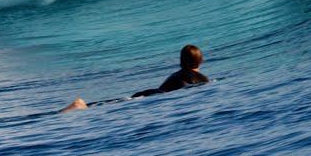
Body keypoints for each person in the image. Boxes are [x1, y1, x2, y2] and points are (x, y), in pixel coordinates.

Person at [59, 45, 210, 112]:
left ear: (181, 60)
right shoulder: (201, 79)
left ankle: (81, 106)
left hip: (151, 92)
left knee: (115, 102)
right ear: (200, 60)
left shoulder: (175, 74)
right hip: (158, 95)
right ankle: (80, 107)